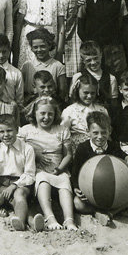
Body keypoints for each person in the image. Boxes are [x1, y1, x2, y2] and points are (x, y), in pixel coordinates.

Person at [70, 112, 128, 226]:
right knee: (77, 203)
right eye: (95, 133)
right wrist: (76, 188)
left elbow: (124, 160)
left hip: (114, 192)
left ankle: (111, 212)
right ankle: (98, 212)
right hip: (92, 193)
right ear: (88, 131)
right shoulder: (83, 148)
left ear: (109, 131)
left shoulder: (113, 146)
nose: (100, 137)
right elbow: (75, 172)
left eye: (104, 132)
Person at [18, 97, 77, 230]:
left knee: (65, 184)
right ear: (35, 114)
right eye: (42, 114)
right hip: (37, 169)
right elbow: (19, 150)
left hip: (58, 169)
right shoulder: (26, 130)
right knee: (42, 180)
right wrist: (35, 153)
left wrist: (59, 169)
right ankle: (50, 218)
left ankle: (69, 219)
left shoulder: (61, 130)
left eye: (50, 114)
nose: (46, 117)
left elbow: (68, 155)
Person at [0, 113, 41, 231]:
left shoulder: (27, 148)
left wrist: (14, 185)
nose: (6, 135)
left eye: (9, 131)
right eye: (1, 132)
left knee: (18, 195)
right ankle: (31, 221)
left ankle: (21, 222)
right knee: (12, 200)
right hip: (2, 183)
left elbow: (29, 174)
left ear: (17, 130)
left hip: (22, 182)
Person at [14, 0, 67, 67]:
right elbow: (19, 24)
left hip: (50, 39)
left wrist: (59, 50)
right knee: (28, 70)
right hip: (28, 39)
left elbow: (61, 25)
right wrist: (16, 48)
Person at [77, 0, 128, 77]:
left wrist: (116, 46)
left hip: (113, 51)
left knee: (114, 79)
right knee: (91, 80)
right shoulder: (86, 1)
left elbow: (123, 27)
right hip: (92, 53)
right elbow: (80, 29)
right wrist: (90, 48)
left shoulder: (120, 2)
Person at [61, 74, 109, 151]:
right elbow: (63, 135)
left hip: (99, 148)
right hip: (77, 150)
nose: (89, 96)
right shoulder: (69, 111)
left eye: (92, 93)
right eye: (86, 93)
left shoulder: (101, 110)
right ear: (77, 90)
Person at [68, 41, 119, 108]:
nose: (93, 63)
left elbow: (113, 104)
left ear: (101, 55)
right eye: (88, 60)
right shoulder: (77, 77)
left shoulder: (111, 78)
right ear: (83, 60)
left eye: (96, 58)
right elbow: (72, 100)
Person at [20, 28, 67, 100]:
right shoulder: (27, 66)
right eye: (35, 47)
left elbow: (62, 93)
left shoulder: (58, 66)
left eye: (42, 46)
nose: (39, 50)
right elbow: (21, 91)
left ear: (49, 45)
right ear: (31, 48)